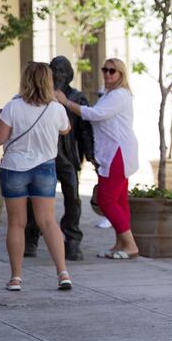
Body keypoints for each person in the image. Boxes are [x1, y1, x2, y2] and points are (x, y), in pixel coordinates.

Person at [0, 62, 72, 291]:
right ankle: (63, 273)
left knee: (17, 223)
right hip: (45, 168)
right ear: (48, 81)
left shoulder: (13, 107)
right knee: (48, 221)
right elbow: (65, 129)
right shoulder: (56, 109)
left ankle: (16, 278)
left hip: (15, 168)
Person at [56, 58, 140, 259]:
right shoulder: (111, 93)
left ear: (121, 74)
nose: (108, 74)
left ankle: (130, 245)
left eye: (113, 71)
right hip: (113, 151)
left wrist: (66, 102)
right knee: (119, 200)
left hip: (117, 152)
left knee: (106, 200)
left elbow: (94, 114)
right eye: (105, 70)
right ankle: (120, 244)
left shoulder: (119, 95)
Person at [24, 56, 95, 261]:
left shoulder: (77, 97)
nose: (59, 76)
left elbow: (85, 130)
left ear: (70, 75)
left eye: (63, 72)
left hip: (67, 157)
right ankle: (31, 238)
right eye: (55, 71)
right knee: (35, 199)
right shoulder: (40, 95)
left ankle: (72, 241)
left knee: (73, 198)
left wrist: (91, 155)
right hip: (43, 157)